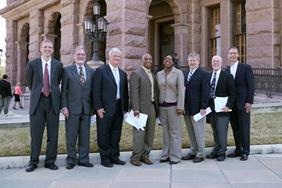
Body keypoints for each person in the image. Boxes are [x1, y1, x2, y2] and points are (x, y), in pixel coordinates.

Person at [25, 39, 63, 172]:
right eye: (45, 47)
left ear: (52, 50)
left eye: (50, 47)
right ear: (40, 48)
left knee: (53, 135)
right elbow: (30, 82)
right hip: (38, 102)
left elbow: (57, 81)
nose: (47, 49)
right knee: (36, 135)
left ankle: (50, 161)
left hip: (53, 102)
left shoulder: (58, 65)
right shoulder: (32, 64)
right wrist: (38, 91)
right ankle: (33, 161)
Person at [92, 47, 129, 168]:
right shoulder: (101, 71)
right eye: (115, 56)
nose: (117, 58)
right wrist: (98, 108)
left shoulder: (123, 73)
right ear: (109, 57)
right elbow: (95, 91)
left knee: (116, 133)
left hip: (119, 108)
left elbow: (125, 93)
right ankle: (105, 158)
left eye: (118, 57)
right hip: (104, 109)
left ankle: (114, 156)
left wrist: (125, 109)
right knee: (104, 134)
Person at [61, 46, 95, 169]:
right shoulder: (67, 70)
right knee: (71, 136)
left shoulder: (91, 71)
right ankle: (71, 160)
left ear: (85, 57)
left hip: (86, 109)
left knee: (85, 136)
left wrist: (93, 109)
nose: (81, 56)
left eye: (83, 54)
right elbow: (63, 91)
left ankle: (84, 159)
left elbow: (93, 92)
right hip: (71, 109)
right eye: (78, 54)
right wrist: (64, 106)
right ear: (74, 56)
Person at [226, 47, 255, 161]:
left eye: (234, 53)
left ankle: (245, 151)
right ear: (228, 55)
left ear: (238, 55)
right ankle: (238, 149)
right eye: (230, 53)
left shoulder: (245, 68)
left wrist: (249, 102)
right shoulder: (227, 70)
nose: (232, 55)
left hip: (243, 103)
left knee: (244, 128)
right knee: (235, 128)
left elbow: (251, 86)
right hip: (231, 105)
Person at [129, 53, 158, 166]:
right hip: (140, 109)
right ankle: (135, 157)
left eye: (150, 59)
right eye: (146, 59)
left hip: (152, 107)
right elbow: (134, 92)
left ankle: (145, 155)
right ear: (142, 61)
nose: (148, 60)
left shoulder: (152, 74)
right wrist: (135, 108)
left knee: (150, 134)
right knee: (139, 134)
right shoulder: (136, 74)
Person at [206, 55, 235, 161]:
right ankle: (217, 149)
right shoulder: (209, 76)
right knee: (215, 130)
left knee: (222, 130)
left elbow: (233, 93)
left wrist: (229, 106)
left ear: (221, 63)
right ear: (211, 63)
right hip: (211, 108)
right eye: (214, 61)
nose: (215, 63)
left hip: (223, 108)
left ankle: (222, 152)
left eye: (217, 61)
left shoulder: (227, 76)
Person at [182, 52, 210, 163]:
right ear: (188, 61)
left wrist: (204, 107)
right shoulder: (185, 73)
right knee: (191, 131)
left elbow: (206, 92)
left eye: (194, 60)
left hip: (199, 109)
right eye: (190, 60)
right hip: (187, 108)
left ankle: (201, 153)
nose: (192, 62)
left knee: (199, 132)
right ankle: (194, 151)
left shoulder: (204, 74)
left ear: (198, 61)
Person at [157, 55, 185, 165]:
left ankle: (175, 156)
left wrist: (180, 107)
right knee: (165, 132)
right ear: (163, 62)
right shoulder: (159, 74)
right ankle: (165, 154)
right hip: (162, 106)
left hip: (174, 107)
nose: (167, 61)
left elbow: (181, 91)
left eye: (169, 59)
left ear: (173, 62)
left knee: (175, 132)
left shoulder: (178, 73)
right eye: (165, 59)